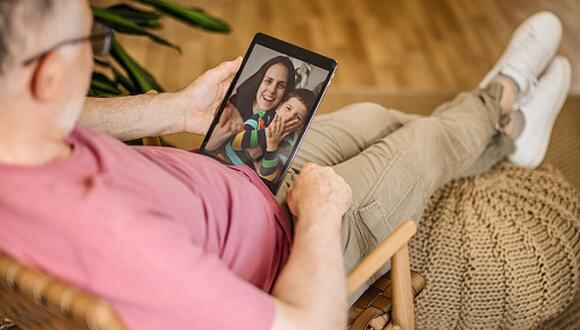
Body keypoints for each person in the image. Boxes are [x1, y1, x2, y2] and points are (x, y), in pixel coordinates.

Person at [0, 1, 570, 329]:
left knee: (376, 114)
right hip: (290, 245)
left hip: (235, 173)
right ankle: (500, 100)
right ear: (48, 77)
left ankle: (504, 133)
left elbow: (74, 119)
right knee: (427, 140)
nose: (99, 47)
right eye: (93, 40)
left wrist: (171, 108)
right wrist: (321, 213)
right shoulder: (121, 242)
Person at [220, 88, 315, 186]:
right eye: (288, 108)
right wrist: (268, 132)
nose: (290, 116)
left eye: (298, 117)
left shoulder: (288, 144)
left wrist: (272, 146)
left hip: (245, 180)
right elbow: (235, 143)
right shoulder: (261, 116)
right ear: (278, 107)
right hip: (224, 164)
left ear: (299, 125)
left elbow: (267, 177)